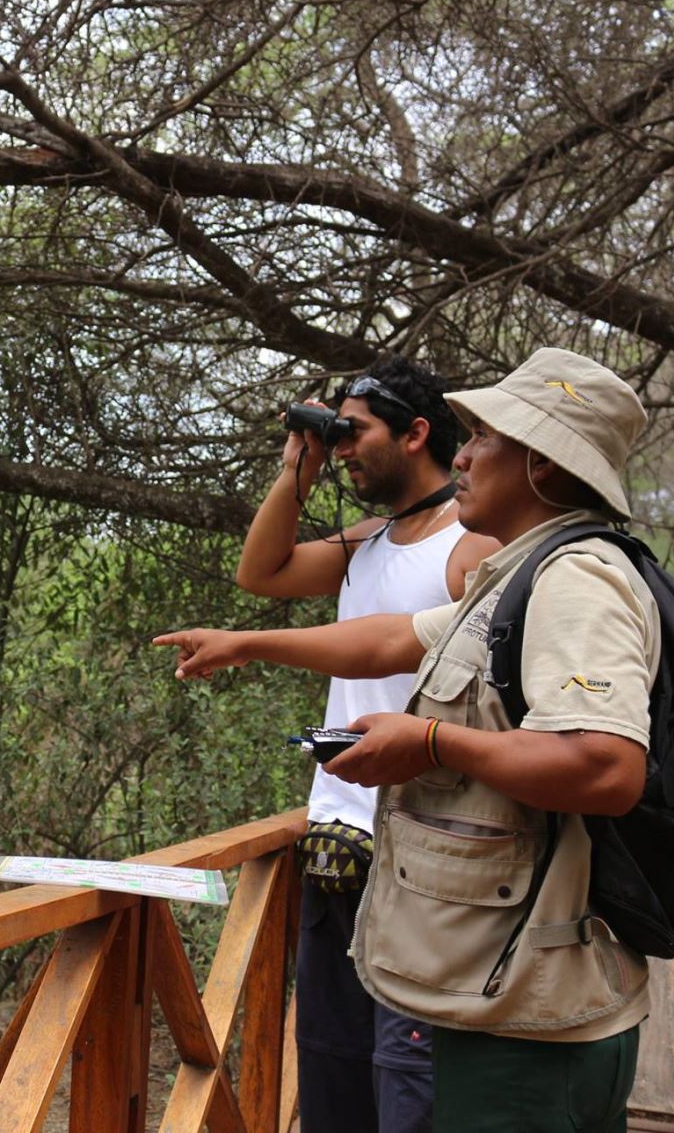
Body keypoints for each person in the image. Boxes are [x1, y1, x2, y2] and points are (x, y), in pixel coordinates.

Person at [156, 347, 656, 1133]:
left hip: (499, 939)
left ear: (543, 465)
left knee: (412, 1093)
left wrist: (428, 743)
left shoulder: (569, 578)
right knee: (349, 1076)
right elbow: (387, 639)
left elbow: (608, 767)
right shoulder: (513, 571)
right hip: (421, 892)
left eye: (485, 436)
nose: (465, 453)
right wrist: (248, 641)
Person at [235, 354, 495, 1133]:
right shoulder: (369, 540)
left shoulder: (469, 545)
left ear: (417, 434)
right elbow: (262, 571)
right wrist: (298, 470)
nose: (344, 446)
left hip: (421, 847)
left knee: (409, 1075)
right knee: (332, 1061)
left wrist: (248, 645)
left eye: (356, 432)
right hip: (337, 834)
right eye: (336, 433)